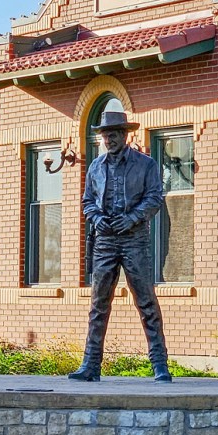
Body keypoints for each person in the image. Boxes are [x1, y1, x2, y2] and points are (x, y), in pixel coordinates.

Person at [69, 110, 172, 383]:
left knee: (146, 300)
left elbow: (154, 198)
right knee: (98, 303)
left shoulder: (145, 164)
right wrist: (97, 218)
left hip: (134, 239)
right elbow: (87, 201)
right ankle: (90, 365)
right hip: (104, 240)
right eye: (105, 135)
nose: (109, 139)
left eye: (113, 134)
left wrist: (132, 218)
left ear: (125, 135)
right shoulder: (95, 166)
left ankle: (160, 364)